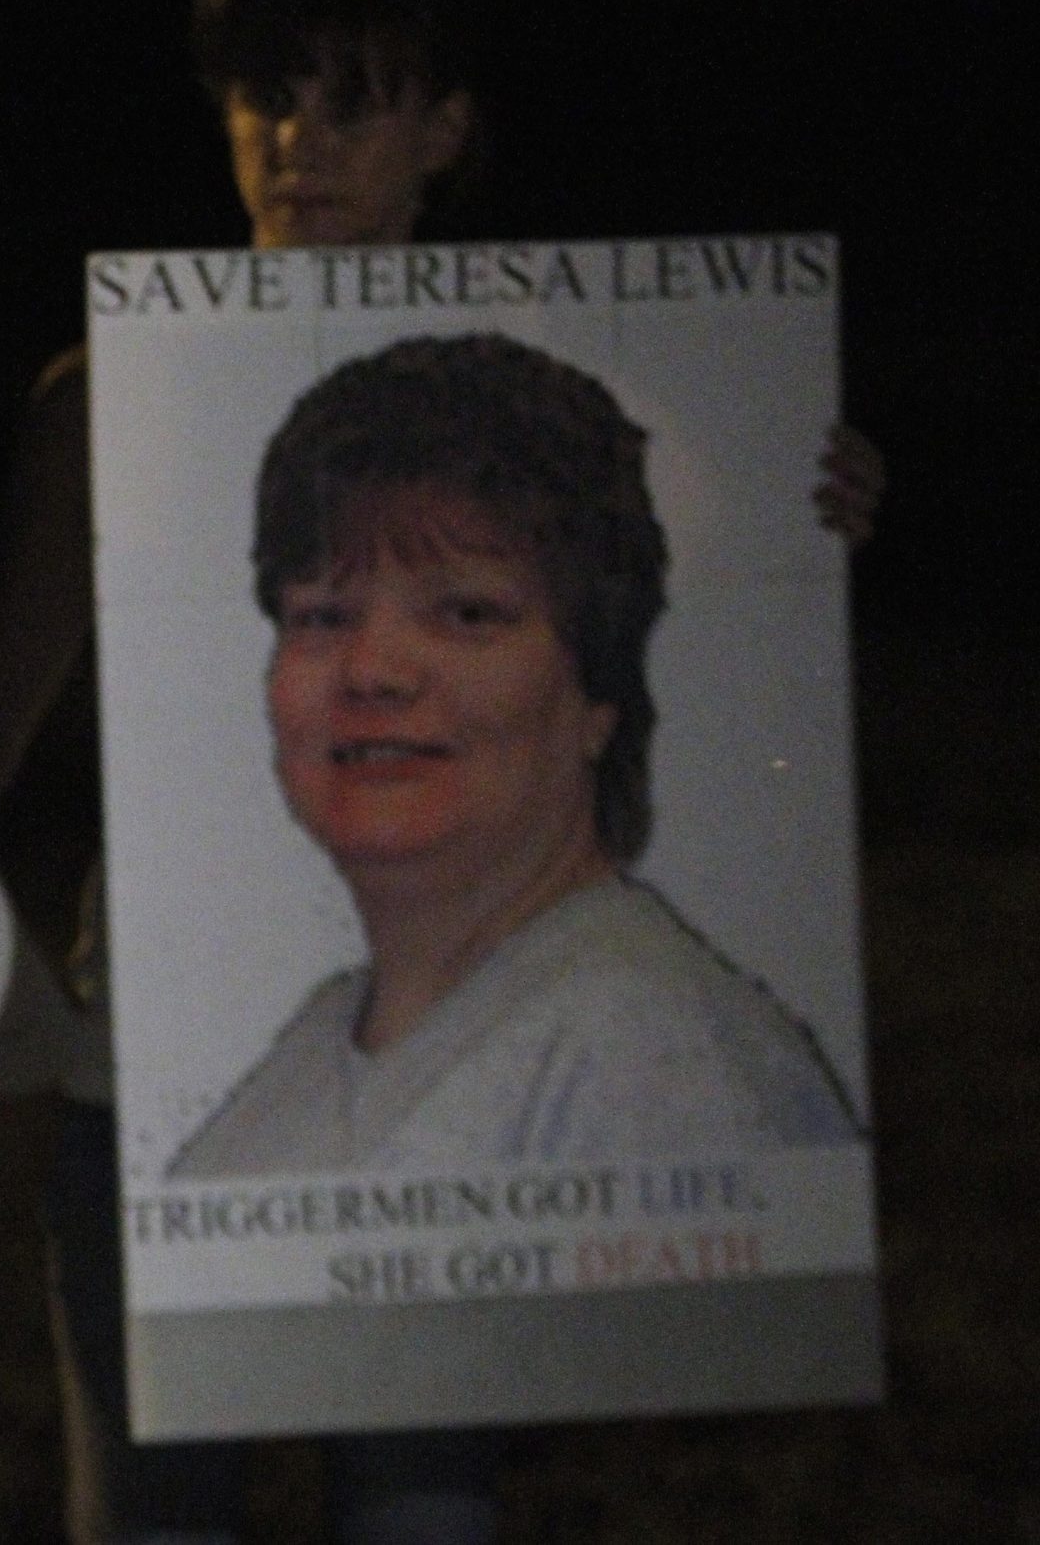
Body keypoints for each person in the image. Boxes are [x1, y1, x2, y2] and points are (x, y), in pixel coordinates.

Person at [0, 0, 882, 1544]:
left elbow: (723, 651)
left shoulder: (582, 397)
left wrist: (810, 517)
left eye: (353, 100)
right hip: (147, 1076)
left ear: (445, 132)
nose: (300, 141)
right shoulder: (113, 397)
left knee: (420, 1509)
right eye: (268, 98)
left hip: (456, 1142)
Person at [166, 333, 861, 1180]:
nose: (373, 671)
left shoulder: (651, 1058)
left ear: (598, 694)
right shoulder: (324, 1036)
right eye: (322, 616)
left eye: (466, 615)